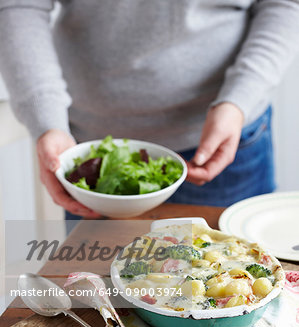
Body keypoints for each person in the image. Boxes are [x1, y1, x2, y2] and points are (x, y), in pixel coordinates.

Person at [0, 1, 299, 220]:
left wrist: (239, 100)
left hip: (229, 145)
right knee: (98, 297)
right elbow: (19, 6)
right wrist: (46, 119)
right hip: (92, 159)